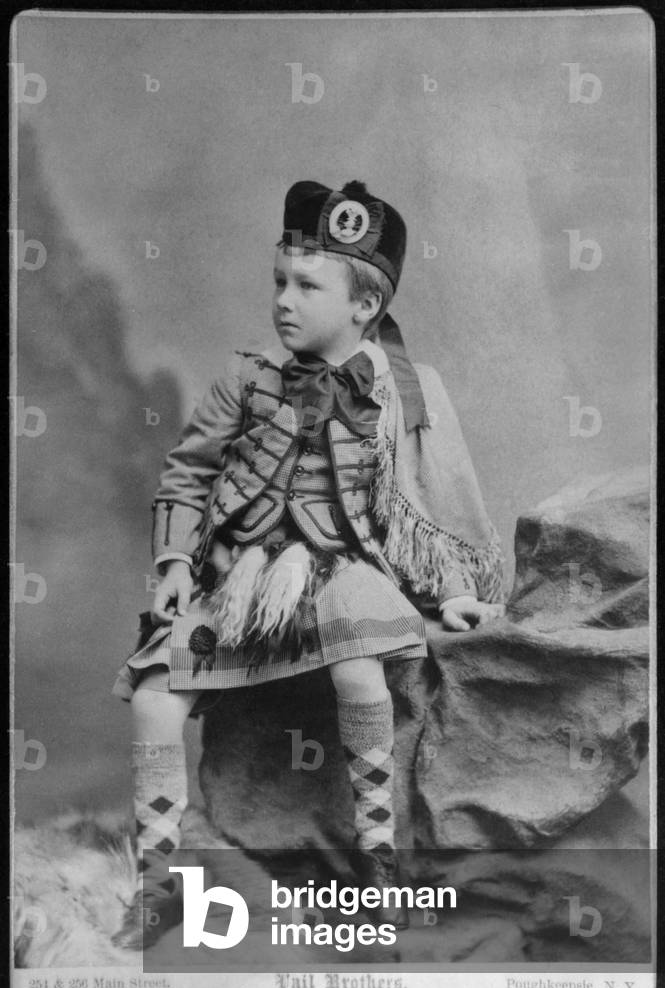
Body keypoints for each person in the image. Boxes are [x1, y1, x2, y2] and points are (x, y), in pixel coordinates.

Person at [112, 179, 505, 948]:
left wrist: (452, 592)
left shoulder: (403, 392)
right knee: (154, 695)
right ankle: (158, 886)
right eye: (278, 282)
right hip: (244, 572)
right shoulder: (246, 378)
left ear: (364, 304)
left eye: (305, 286)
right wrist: (173, 562)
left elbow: (431, 501)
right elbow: (187, 473)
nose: (283, 301)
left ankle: (380, 876)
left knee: (360, 663)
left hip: (342, 566)